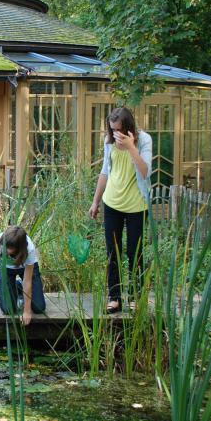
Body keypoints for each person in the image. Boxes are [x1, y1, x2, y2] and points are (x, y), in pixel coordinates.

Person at [88, 107, 152, 314]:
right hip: (112, 203)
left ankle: (134, 296)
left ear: (128, 127)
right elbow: (105, 172)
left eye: (119, 129)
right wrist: (95, 202)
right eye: (112, 129)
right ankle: (114, 297)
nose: (115, 133)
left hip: (136, 205)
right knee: (112, 252)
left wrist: (131, 147)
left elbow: (145, 171)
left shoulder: (144, 140)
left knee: (135, 252)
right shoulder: (109, 142)